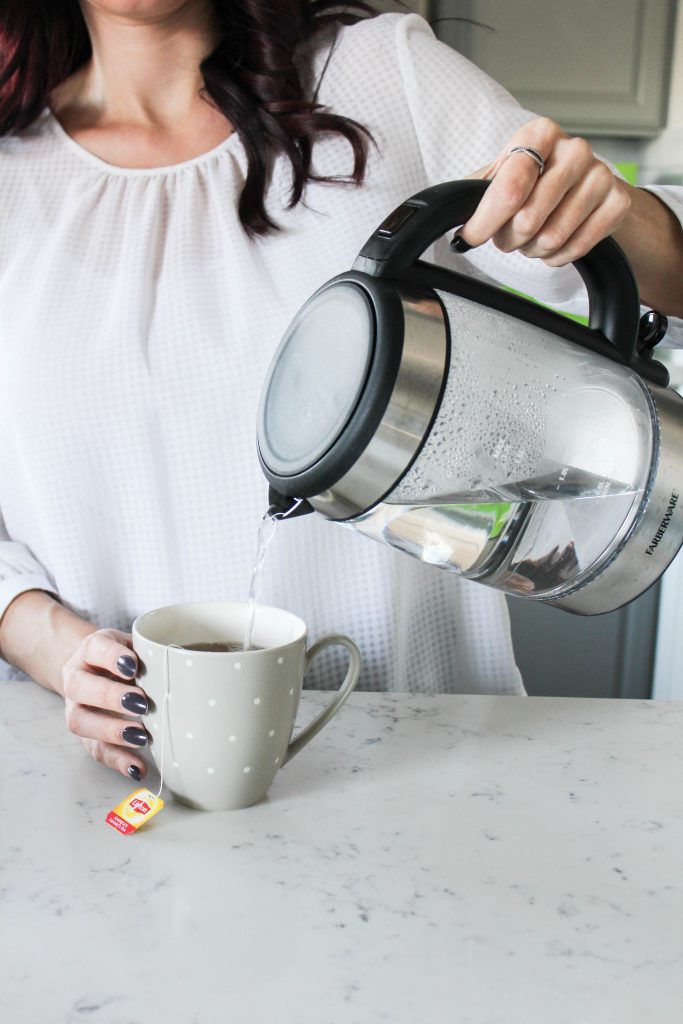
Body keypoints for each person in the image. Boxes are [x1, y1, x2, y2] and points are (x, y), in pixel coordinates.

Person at [0, 1, 681, 784]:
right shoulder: (10, 176)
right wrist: (53, 646)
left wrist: (607, 211)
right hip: (119, 782)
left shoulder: (380, 74)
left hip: (428, 768)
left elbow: (659, 276)